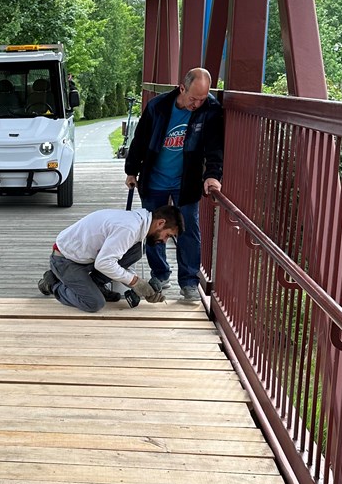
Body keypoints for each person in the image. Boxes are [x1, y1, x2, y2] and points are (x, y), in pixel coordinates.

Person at [123, 67, 223, 302]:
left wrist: (212, 175)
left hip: (185, 180)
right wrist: (131, 170)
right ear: (182, 88)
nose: (197, 103)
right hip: (155, 177)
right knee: (152, 228)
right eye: (192, 98)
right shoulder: (158, 106)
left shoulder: (210, 109)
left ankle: (188, 281)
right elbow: (141, 139)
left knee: (188, 229)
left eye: (202, 98)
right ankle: (160, 273)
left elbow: (215, 147)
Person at [38, 206, 184, 313]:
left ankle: (96, 284)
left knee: (135, 252)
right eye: (168, 235)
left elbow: (117, 260)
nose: (165, 241)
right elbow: (104, 263)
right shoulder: (129, 228)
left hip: (88, 258)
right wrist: (135, 282)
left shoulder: (138, 223)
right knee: (94, 303)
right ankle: (53, 283)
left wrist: (141, 288)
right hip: (65, 259)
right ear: (160, 223)